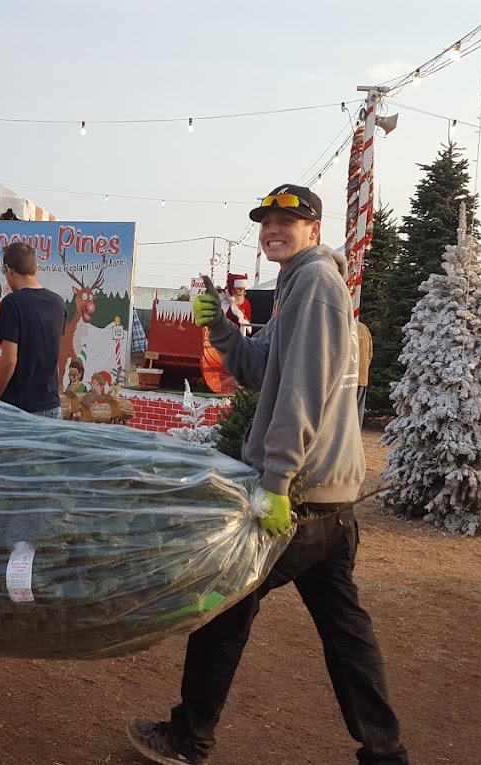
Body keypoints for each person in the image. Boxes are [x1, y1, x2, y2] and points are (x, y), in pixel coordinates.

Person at [126, 183, 409, 765]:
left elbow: (302, 392)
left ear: (314, 229)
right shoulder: (299, 284)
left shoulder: (315, 285)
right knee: (345, 632)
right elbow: (260, 370)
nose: (272, 230)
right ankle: (385, 754)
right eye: (266, 222)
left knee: (222, 608)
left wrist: (277, 483)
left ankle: (188, 739)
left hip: (299, 501)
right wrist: (224, 330)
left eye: (287, 221)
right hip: (327, 502)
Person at [0, 241, 66, 418]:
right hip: (51, 404)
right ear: (36, 268)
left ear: (8, 269)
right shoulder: (58, 303)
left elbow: (9, 360)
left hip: (20, 407)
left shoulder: (12, 303)